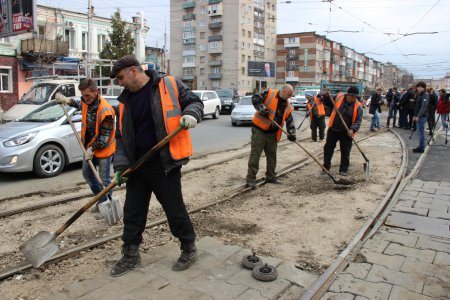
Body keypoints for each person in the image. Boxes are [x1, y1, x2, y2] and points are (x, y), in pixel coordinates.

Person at [109, 55, 204, 277]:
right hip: (137, 167)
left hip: (164, 163)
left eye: (121, 77)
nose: (119, 83)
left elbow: (195, 102)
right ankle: (130, 255)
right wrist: (120, 167)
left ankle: (188, 248)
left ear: (134, 71)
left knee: (174, 209)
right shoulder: (124, 103)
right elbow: (121, 138)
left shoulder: (168, 84)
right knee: (132, 212)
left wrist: (191, 114)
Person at [56, 79, 116, 212]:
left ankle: (108, 208)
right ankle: (102, 201)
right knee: (88, 175)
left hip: (104, 149)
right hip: (89, 147)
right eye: (83, 95)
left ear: (96, 92)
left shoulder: (106, 110)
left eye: (88, 95)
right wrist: (66, 100)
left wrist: (91, 149)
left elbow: (104, 138)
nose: (85, 98)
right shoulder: (86, 102)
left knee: (104, 180)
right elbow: (79, 104)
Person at [246, 85, 296, 188]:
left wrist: (292, 133)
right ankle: (251, 179)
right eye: (289, 94)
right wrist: (262, 108)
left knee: (272, 156)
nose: (290, 97)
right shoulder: (269, 93)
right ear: (284, 91)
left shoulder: (288, 106)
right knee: (255, 154)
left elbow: (290, 121)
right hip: (259, 130)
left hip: (273, 133)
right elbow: (255, 98)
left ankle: (271, 177)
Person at [322, 86, 363, 176]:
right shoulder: (338, 97)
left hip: (347, 132)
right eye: (352, 96)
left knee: (345, 151)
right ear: (347, 94)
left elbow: (358, 121)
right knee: (328, 148)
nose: (354, 98)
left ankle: (343, 169)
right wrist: (326, 96)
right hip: (333, 129)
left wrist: (353, 129)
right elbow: (328, 103)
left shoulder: (358, 106)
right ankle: (326, 166)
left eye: (355, 97)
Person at [412, 81, 429, 153]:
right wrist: (415, 115)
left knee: (421, 132)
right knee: (419, 132)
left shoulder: (425, 95)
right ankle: (420, 146)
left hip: (422, 117)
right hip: (418, 116)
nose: (418, 88)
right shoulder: (420, 94)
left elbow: (423, 107)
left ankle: (421, 147)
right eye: (417, 87)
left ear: (423, 88)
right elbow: (417, 106)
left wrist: (418, 116)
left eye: (419, 87)